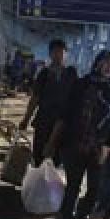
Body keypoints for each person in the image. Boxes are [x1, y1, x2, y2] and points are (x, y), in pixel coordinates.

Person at [44, 49, 110, 219]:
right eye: (107, 62)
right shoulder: (81, 84)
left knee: (96, 188)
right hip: (73, 144)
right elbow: (64, 115)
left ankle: (82, 217)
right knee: (73, 185)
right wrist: (51, 142)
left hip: (101, 149)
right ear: (98, 62)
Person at [20, 39, 79, 168]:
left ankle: (49, 185)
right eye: (55, 52)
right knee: (39, 155)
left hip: (64, 124)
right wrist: (26, 119)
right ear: (50, 54)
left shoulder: (71, 74)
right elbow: (34, 99)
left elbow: (77, 98)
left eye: (61, 52)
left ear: (66, 54)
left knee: (56, 159)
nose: (58, 55)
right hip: (44, 122)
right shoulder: (44, 74)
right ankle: (38, 183)